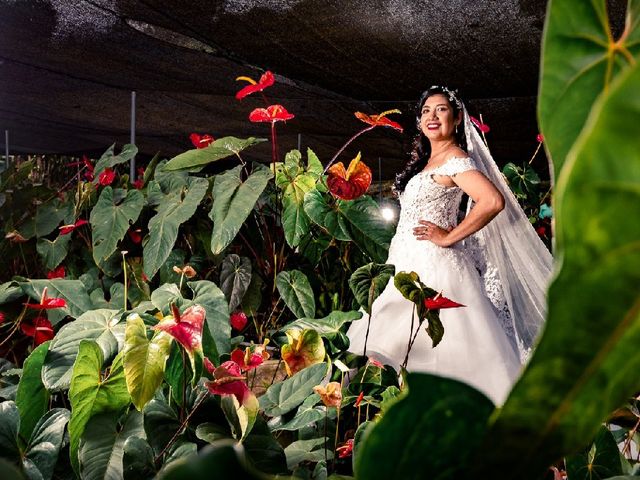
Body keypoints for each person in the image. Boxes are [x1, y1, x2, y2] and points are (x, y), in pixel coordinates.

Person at [346, 86, 552, 405]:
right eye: (426, 111)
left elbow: (492, 201)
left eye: (441, 110)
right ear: (419, 121)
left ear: (456, 119)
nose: (432, 116)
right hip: (406, 262)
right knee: (410, 354)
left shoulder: (455, 159)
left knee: (447, 355)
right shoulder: (429, 162)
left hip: (436, 268)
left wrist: (448, 237)